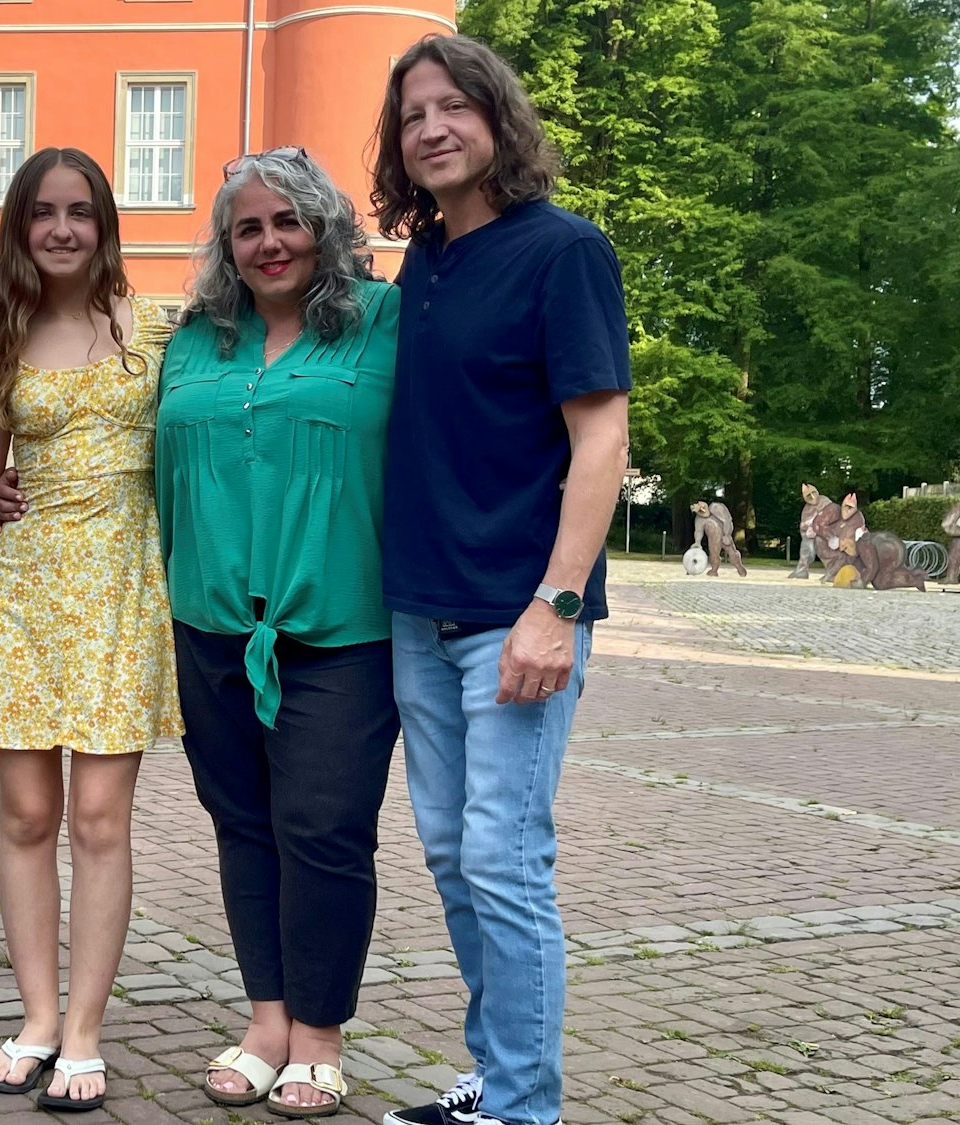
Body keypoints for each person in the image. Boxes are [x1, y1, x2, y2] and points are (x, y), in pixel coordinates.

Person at [4, 148, 403, 1120]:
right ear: (226, 246)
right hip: (209, 624)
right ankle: (267, 1021)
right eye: (247, 228)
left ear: (324, 228)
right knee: (243, 825)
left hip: (338, 627)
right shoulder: (191, 340)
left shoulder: (384, 321)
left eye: (287, 221)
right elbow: (93, 420)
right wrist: (20, 482)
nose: (268, 242)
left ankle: (318, 1035)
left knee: (323, 830)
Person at [371, 35, 631, 1125]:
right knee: (451, 853)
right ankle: (499, 1072)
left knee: (503, 856)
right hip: (418, 610)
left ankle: (524, 1107)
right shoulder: (424, 263)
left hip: (515, 615)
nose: (431, 128)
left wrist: (556, 607)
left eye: (453, 106)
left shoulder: (563, 251)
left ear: (497, 117)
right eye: (411, 114)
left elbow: (601, 435)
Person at [0, 147, 181, 1113]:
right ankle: (38, 1017)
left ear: (104, 223)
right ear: (19, 227)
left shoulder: (157, 328)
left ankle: (86, 1029)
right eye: (42, 212)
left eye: (79, 211)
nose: (61, 229)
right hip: (25, 595)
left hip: (123, 592)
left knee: (99, 819)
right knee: (26, 816)